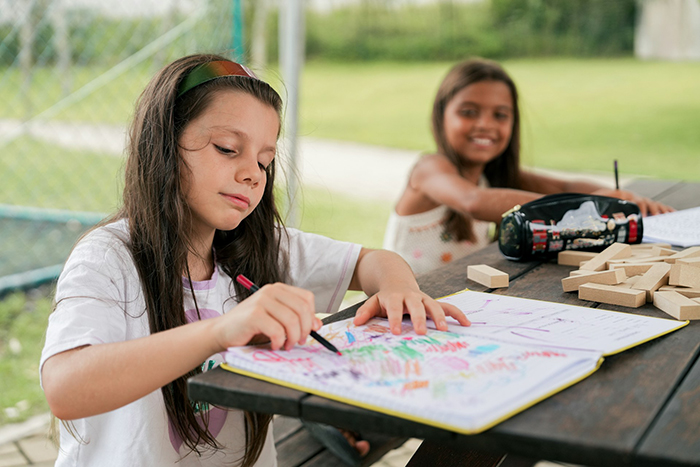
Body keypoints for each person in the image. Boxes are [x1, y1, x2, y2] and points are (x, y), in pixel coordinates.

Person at [39, 54, 470, 467]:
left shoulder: (252, 246)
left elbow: (374, 260)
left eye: (265, 160)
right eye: (228, 148)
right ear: (164, 147)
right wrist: (219, 332)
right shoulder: (109, 257)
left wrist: (400, 290)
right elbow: (65, 387)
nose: (253, 173)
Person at [383, 57, 673, 275]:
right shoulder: (429, 169)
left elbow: (563, 187)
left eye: (500, 115)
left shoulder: (491, 177)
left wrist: (613, 197)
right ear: (440, 115)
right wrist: (586, 209)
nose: (485, 124)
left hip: (452, 303)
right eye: (469, 112)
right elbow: (472, 201)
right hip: (400, 311)